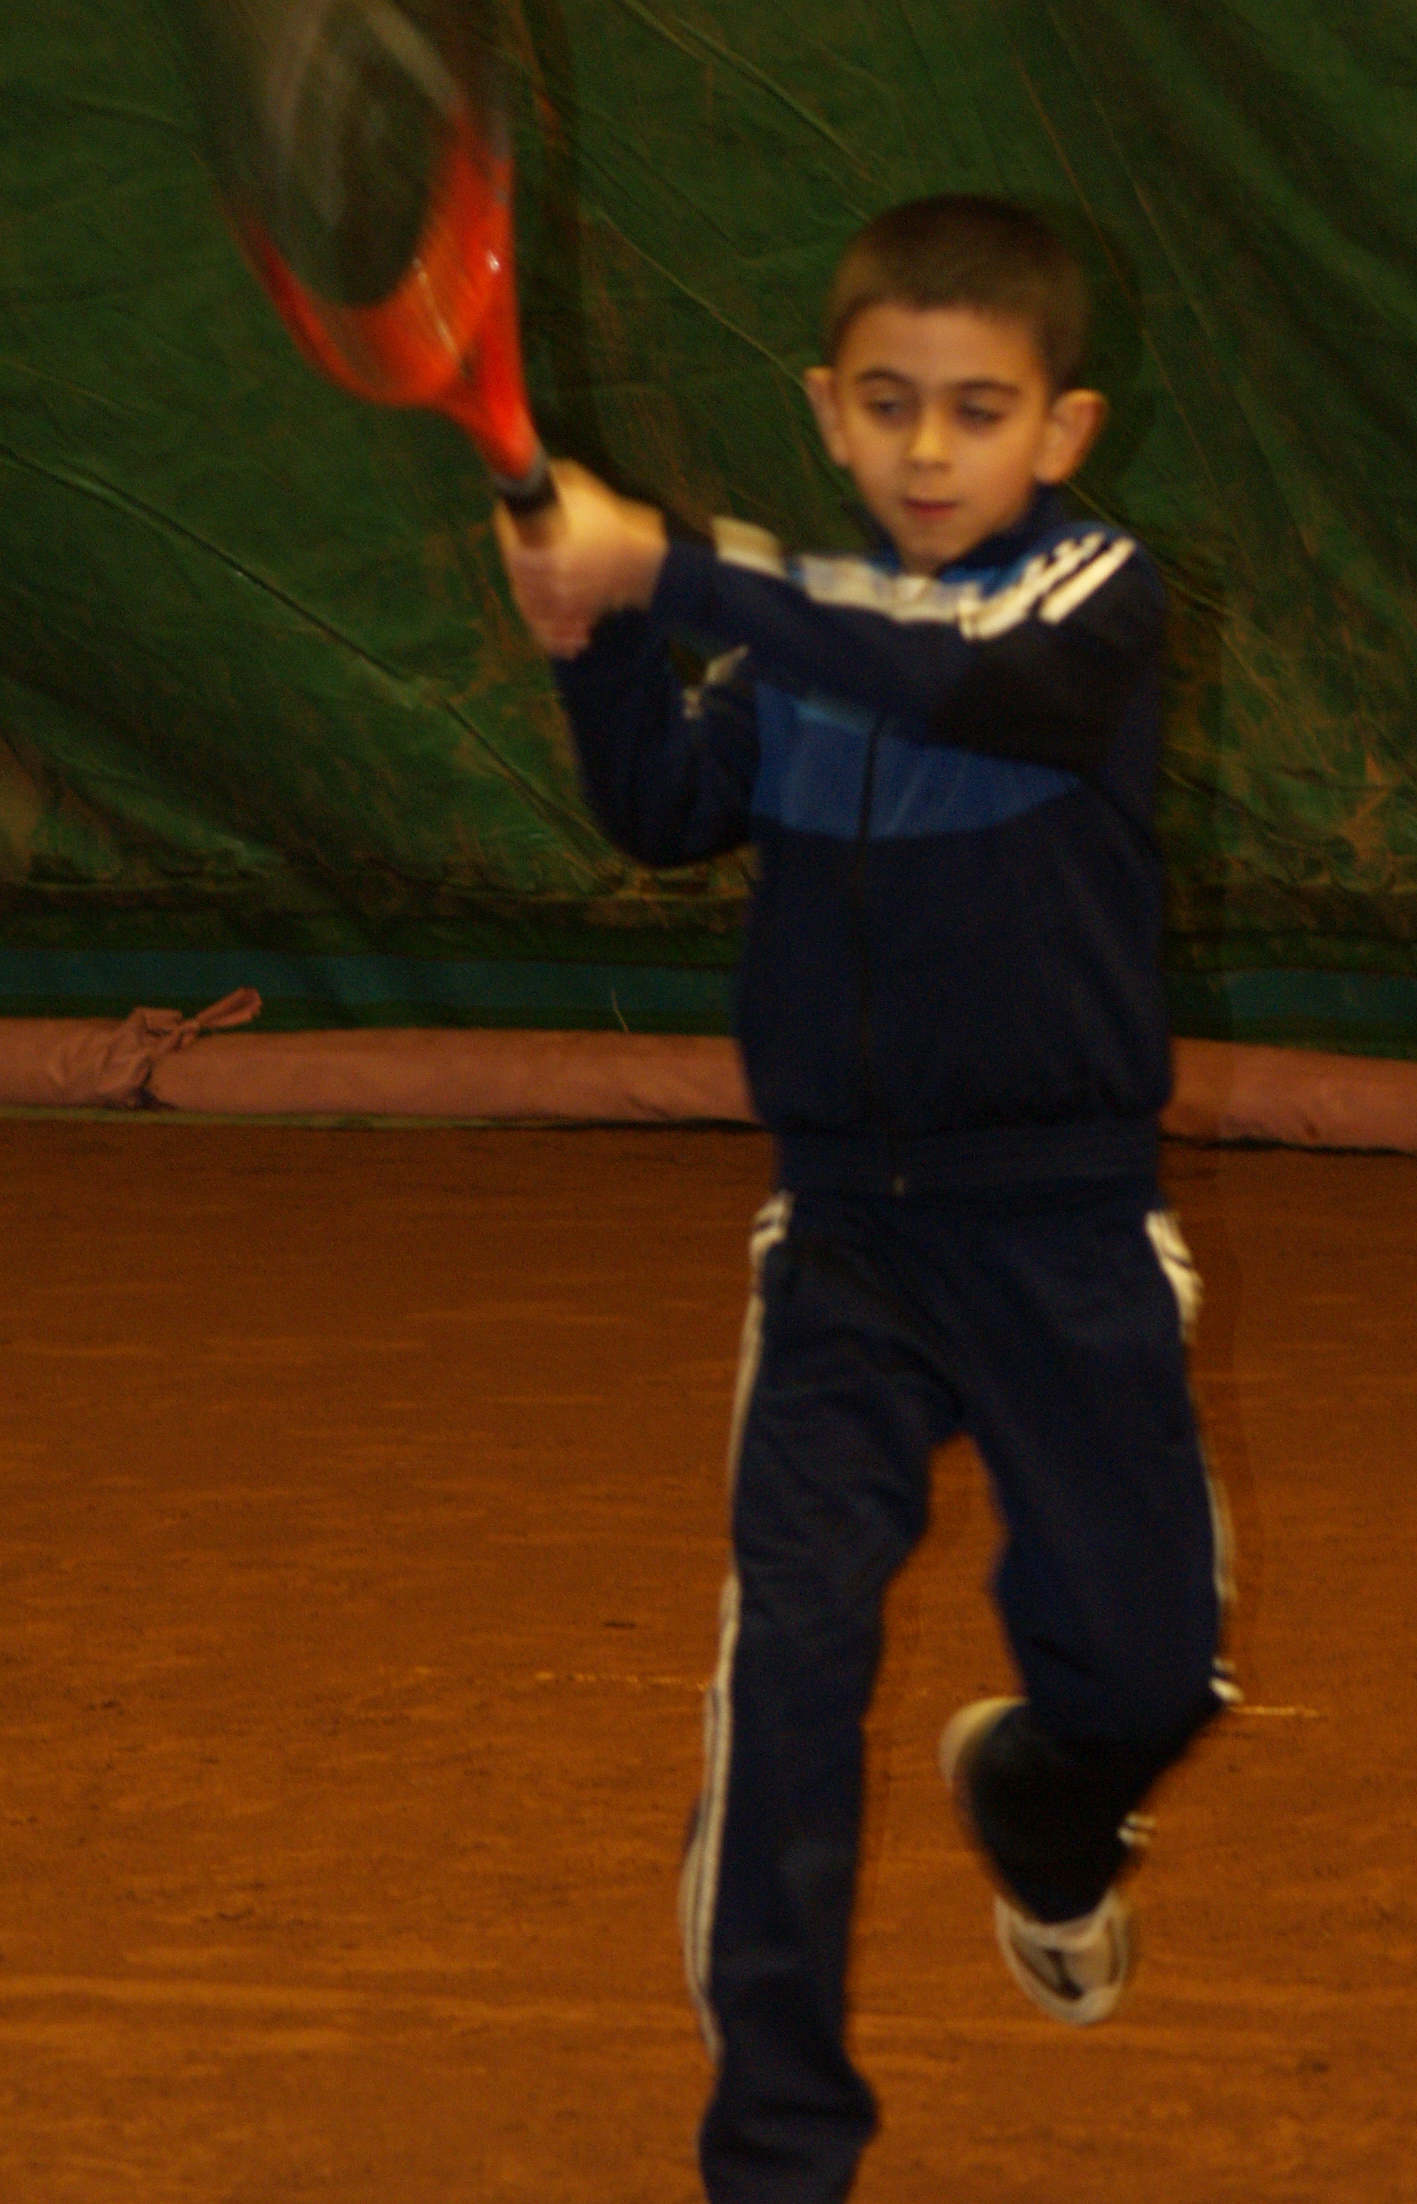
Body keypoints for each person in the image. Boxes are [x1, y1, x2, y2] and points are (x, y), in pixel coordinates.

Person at [496, 195, 1225, 2204]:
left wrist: (670, 562)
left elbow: (957, 676)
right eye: (888, 403)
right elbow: (664, 805)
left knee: (1146, 1676)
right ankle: (778, 2159)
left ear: (1061, 431)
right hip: (843, 1247)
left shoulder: (1094, 597)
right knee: (792, 1668)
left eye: (978, 411)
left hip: (1067, 1237)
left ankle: (1044, 1808)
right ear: (828, 409)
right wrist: (597, 642)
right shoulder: (800, 641)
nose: (927, 448)